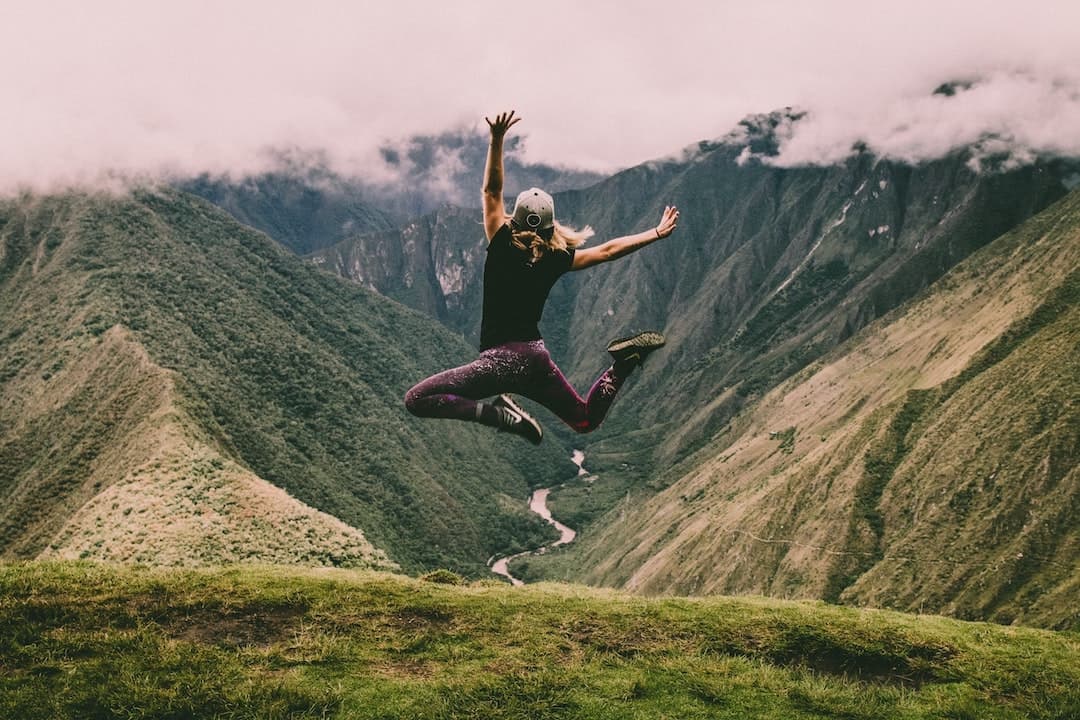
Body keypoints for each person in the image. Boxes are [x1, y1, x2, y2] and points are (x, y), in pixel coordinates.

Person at [404, 110, 679, 444]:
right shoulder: (556, 257)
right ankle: (621, 366)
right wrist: (655, 232)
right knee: (584, 420)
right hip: (536, 359)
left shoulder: (502, 241)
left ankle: (498, 415)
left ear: (514, 219)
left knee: (417, 400)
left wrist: (496, 139)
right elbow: (607, 251)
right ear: (551, 225)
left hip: (498, 363)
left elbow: (492, 191)